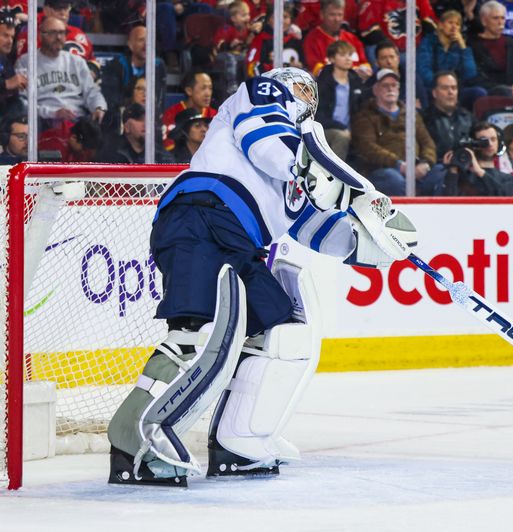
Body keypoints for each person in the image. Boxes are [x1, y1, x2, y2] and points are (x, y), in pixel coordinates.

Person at [107, 67, 418, 487]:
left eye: (311, 89)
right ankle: (136, 442)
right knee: (196, 335)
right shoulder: (264, 94)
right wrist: (335, 184)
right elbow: (263, 140)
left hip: (238, 238)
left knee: (282, 334)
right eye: (301, 86)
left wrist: (374, 247)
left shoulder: (303, 160)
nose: (307, 94)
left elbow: (317, 229)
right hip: (202, 212)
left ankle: (240, 443)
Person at [351, 68, 439, 195]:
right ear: (375, 90)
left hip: (416, 167)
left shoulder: (411, 114)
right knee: (394, 180)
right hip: (383, 169)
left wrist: (425, 163)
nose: (390, 89)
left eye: (393, 85)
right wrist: (399, 165)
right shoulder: (365, 116)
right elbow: (367, 147)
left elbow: (428, 143)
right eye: (385, 85)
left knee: (440, 172)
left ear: (398, 89)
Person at [15, 16, 106, 129]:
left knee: (105, 118)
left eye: (62, 33)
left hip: (77, 120)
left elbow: (92, 91)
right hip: (44, 121)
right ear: (40, 35)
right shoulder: (26, 62)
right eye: (52, 33)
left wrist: (99, 107)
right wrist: (53, 113)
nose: (58, 37)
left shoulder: (77, 61)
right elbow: (22, 101)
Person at [101, 25, 167, 134]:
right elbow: (112, 101)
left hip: (149, 118)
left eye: (149, 40)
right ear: (130, 45)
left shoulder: (158, 65)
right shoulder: (116, 65)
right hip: (122, 119)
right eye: (141, 40)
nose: (146, 45)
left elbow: (160, 99)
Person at [417, 10, 485, 109]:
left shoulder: (460, 46)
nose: (454, 27)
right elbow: (423, 70)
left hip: (454, 89)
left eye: (457, 24)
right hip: (432, 88)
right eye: (450, 23)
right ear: (440, 25)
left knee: (478, 92)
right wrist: (441, 86)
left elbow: (470, 74)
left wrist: (463, 47)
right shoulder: (428, 42)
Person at [470, 1, 513, 98]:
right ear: (484, 21)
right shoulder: (472, 44)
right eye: (495, 18)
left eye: (503, 18)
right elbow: (476, 77)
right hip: (488, 91)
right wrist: (505, 88)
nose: (500, 22)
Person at [315, 40, 364, 160]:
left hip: (351, 130)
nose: (348, 59)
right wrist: (342, 127)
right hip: (324, 129)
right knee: (341, 136)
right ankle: (335, 174)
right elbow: (318, 116)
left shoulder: (356, 81)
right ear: (331, 59)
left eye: (349, 55)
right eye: (342, 55)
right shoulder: (322, 82)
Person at [443, 121, 513, 196]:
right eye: (483, 140)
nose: (490, 144)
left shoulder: (508, 179)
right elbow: (448, 203)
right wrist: (453, 171)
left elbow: (507, 198)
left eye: (493, 139)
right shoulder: (461, 177)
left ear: (499, 143)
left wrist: (480, 172)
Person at [302, 0, 370, 78]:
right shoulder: (312, 39)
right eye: (332, 15)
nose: (337, 19)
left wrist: (365, 70)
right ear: (322, 15)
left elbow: (365, 64)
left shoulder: (352, 38)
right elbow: (316, 70)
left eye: (340, 15)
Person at [423, 71, 476, 163]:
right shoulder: (425, 118)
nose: (450, 92)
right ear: (434, 93)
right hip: (437, 167)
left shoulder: (468, 117)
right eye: (445, 88)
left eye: (454, 88)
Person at [97, 103, 174, 164]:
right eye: (140, 119)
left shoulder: (163, 157)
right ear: (126, 127)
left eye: (149, 120)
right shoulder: (110, 155)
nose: (145, 124)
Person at [163, 70, 217, 150]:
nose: (208, 94)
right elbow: (169, 150)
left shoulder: (216, 116)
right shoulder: (171, 115)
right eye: (203, 88)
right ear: (189, 91)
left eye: (210, 88)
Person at [0, 14, 25, 118]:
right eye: (5, 35)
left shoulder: (5, 61)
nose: (10, 41)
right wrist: (6, 84)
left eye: (12, 37)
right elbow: (8, 84)